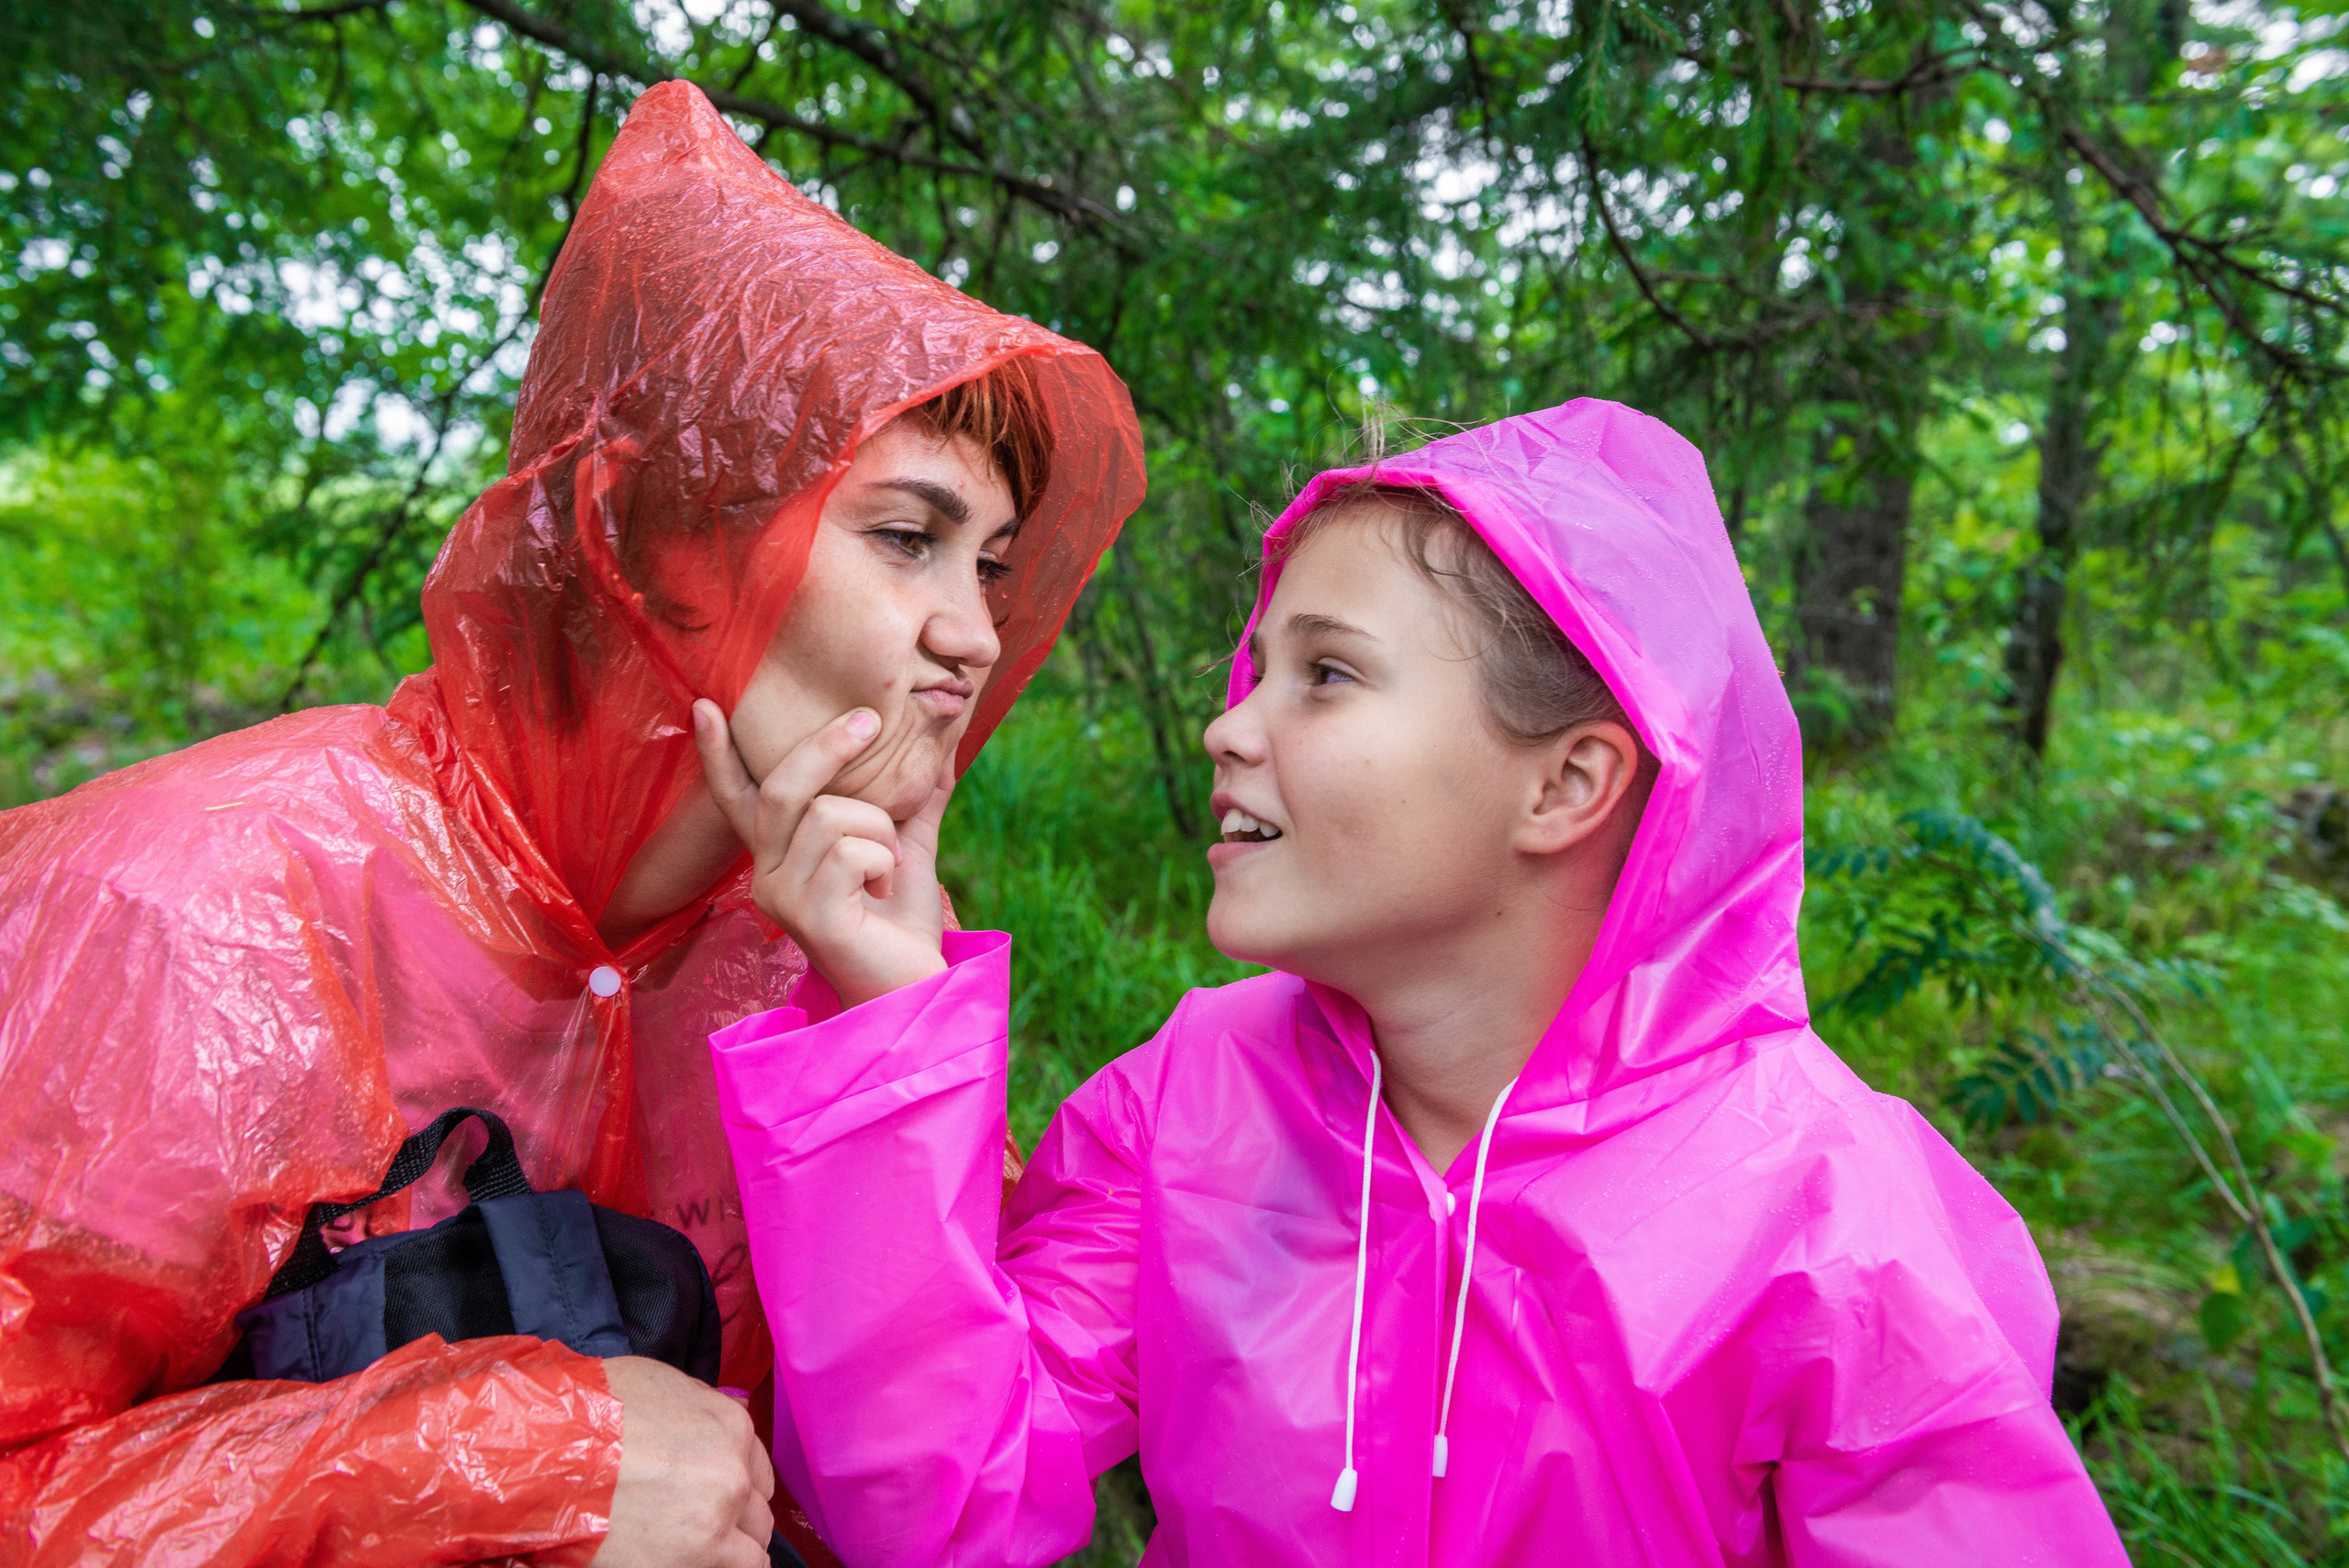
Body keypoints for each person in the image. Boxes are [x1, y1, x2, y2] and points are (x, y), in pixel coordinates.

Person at [0, 81, 1142, 1566]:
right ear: (646, 528)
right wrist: (508, 1463)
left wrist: (886, 1033)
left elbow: (928, 1502)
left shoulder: (803, 960)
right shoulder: (196, 903)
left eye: (990, 566)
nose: (974, 638)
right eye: (907, 538)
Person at [707, 400, 2130, 1564]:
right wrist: (886, 1008)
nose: (1227, 727)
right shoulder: (1197, 1097)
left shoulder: (1828, 1218)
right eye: (1254, 667)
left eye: (1325, 674)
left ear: (1568, 779)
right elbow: (934, 1513)